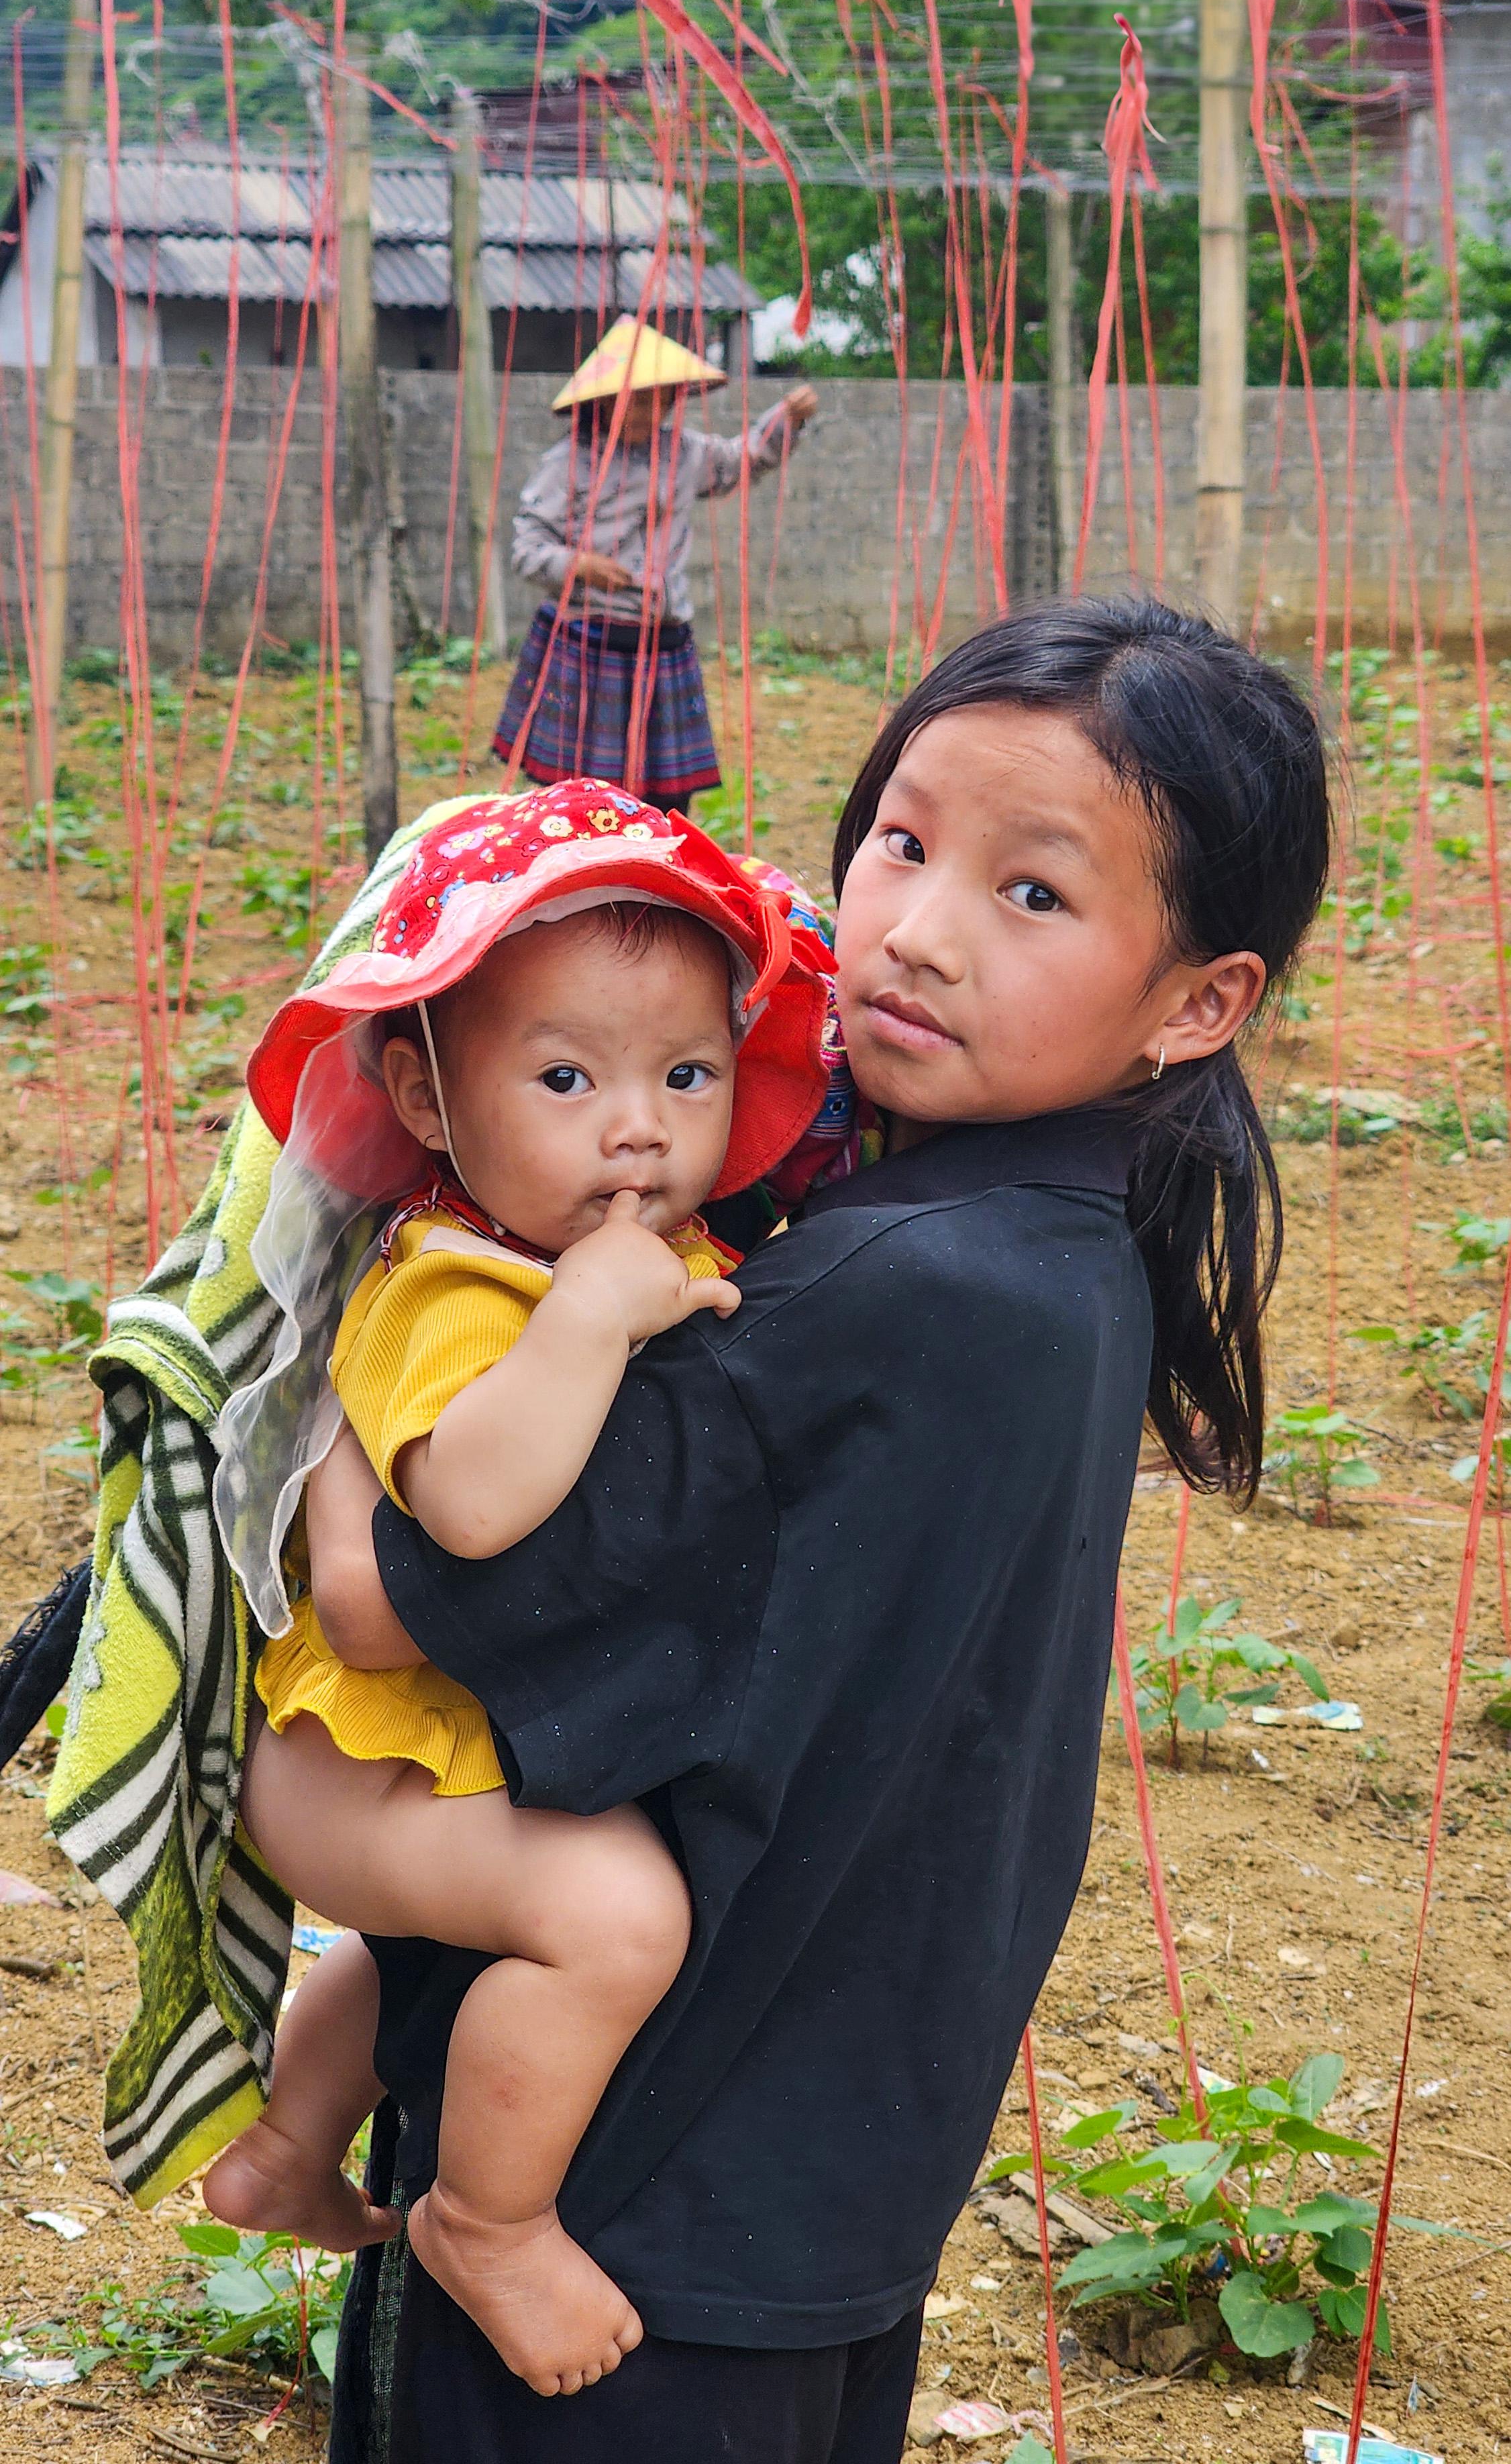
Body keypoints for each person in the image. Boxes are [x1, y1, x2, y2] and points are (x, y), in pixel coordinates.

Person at [318, 595, 1331, 2464]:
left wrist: (317, 1421)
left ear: (1198, 1002)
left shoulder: (897, 1288)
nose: (915, 933)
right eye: (902, 842)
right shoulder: (1047, 1236)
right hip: (818, 2178)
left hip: (630, 2199)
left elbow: (384, 1596)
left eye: (1033, 896)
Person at [199, 782, 833, 2396]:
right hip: (348, 1754)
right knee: (611, 1916)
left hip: (397, 1747)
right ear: (419, 1092)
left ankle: (285, 2142)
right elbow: (472, 1506)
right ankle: (485, 2213)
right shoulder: (458, 1285)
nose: (639, 1127)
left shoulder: (571, 1245)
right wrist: (595, 1319)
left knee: (425, 1939)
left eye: (686, 1075)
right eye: (565, 1078)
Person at [496, 313, 817, 812]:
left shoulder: (685, 454)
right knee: (582, 799)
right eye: (632, 400)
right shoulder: (567, 463)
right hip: (588, 643)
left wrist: (788, 418)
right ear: (601, 402)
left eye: (656, 400)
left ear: (673, 402)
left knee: (666, 800)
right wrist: (580, 564)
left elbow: (745, 459)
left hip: (662, 644)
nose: (644, 412)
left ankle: (657, 881)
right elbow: (526, 547)